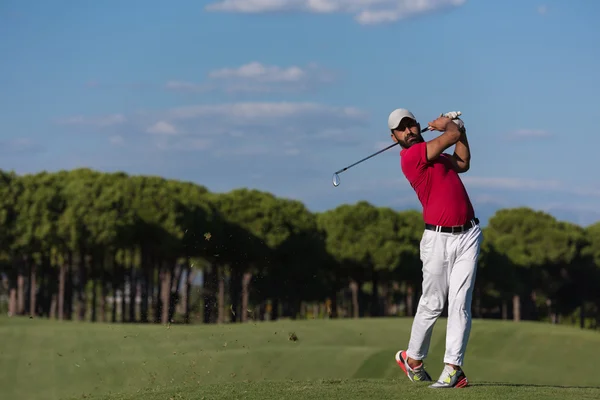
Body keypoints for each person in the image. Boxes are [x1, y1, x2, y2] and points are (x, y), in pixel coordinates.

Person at [387, 108, 483, 389]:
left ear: (418, 126)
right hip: (437, 239)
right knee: (432, 303)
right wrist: (452, 126)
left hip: (468, 234)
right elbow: (451, 134)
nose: (408, 131)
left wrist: (458, 129)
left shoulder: (437, 156)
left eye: (411, 125)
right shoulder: (411, 157)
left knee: (460, 304)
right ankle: (413, 360)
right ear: (394, 138)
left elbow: (463, 162)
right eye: (401, 129)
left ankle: (453, 369)